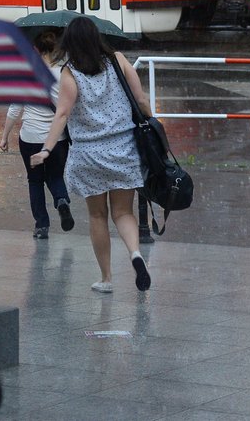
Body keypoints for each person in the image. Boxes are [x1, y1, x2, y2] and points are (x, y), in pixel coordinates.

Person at [30, 16, 152, 293]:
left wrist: (46, 149)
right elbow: (141, 100)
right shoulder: (118, 60)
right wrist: (155, 129)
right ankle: (135, 254)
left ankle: (107, 278)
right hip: (122, 149)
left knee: (98, 216)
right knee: (123, 212)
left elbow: (62, 114)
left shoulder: (70, 73)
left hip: (88, 154)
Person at [0, 30, 73, 240]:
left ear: (36, 50)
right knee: (56, 176)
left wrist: (4, 136)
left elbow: (14, 109)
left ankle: (41, 226)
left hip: (30, 137)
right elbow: (71, 108)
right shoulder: (65, 74)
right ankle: (61, 200)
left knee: (35, 181)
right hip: (57, 139)